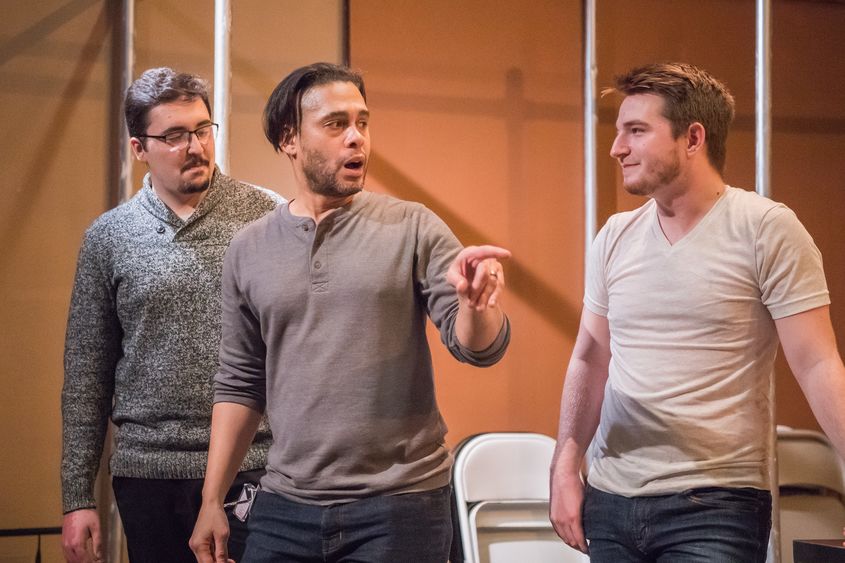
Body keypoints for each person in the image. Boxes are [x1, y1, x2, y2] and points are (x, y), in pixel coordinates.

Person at [189, 62, 511, 563]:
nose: (356, 138)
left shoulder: (412, 226)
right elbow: (240, 382)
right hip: (284, 506)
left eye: (363, 122)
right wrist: (212, 501)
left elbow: (478, 346)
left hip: (399, 505)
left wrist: (476, 306)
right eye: (336, 124)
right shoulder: (248, 248)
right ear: (290, 138)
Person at [550, 62, 845, 562]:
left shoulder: (765, 229)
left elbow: (817, 364)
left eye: (636, 131)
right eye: (618, 131)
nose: (616, 147)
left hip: (714, 504)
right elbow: (590, 358)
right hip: (611, 500)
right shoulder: (615, 237)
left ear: (693, 137)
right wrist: (564, 465)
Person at [61, 67, 283, 563]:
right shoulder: (109, 237)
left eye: (203, 130)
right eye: (175, 136)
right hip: (148, 474)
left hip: (255, 466)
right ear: (139, 147)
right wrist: (77, 497)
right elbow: (86, 376)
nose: (196, 147)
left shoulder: (266, 218)